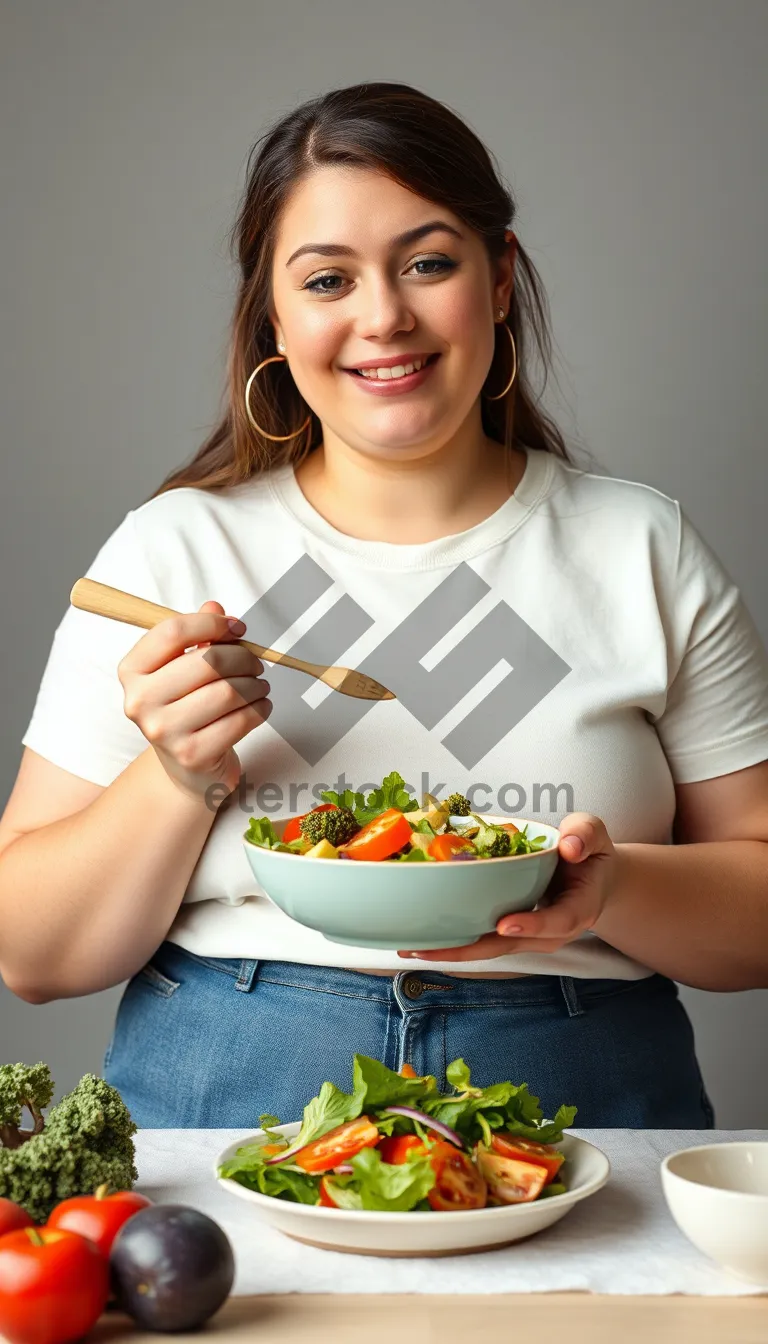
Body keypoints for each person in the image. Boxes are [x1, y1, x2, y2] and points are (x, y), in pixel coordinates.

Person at [1, 82, 767, 1132]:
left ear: (499, 280)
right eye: (327, 279)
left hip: (588, 1108)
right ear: (273, 314)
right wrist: (176, 773)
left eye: (428, 262)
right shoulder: (175, 549)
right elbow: (30, 956)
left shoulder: (640, 547)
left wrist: (615, 889)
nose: (383, 318)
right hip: (225, 1100)